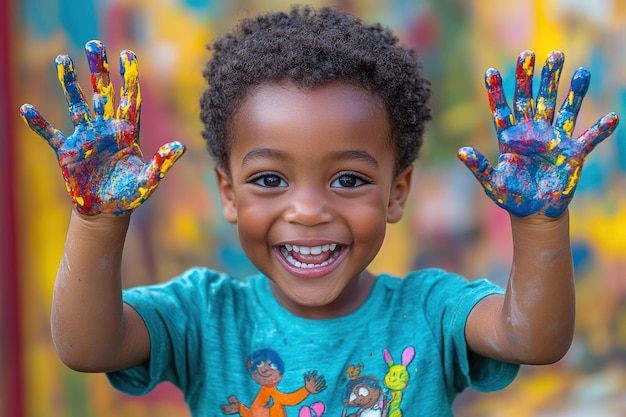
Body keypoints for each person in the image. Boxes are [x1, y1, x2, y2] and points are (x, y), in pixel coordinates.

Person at [19, 5, 619, 416]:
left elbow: (534, 338)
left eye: (349, 179)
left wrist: (540, 221)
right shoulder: (203, 315)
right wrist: (98, 220)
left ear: (397, 192)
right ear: (228, 193)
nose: (307, 210)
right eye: (270, 178)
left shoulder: (433, 312)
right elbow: (87, 348)